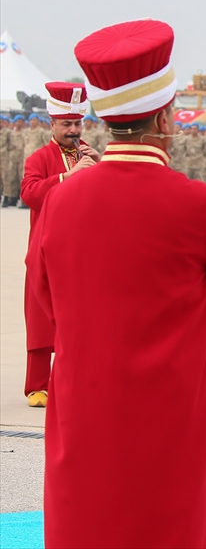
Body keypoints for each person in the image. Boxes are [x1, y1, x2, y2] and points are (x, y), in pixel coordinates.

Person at [33, 19, 206, 547]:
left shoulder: (62, 198)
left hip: (86, 402)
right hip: (169, 414)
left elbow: (45, 295)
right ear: (166, 119)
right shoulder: (194, 203)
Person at [19, 82, 101, 407]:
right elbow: (29, 192)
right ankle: (37, 385)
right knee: (41, 318)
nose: (73, 130)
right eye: (66, 124)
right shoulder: (39, 158)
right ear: (52, 124)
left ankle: (75, 382)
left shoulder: (90, 155)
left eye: (77, 124)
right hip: (46, 249)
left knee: (79, 320)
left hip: (81, 252)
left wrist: (104, 165)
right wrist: (68, 177)